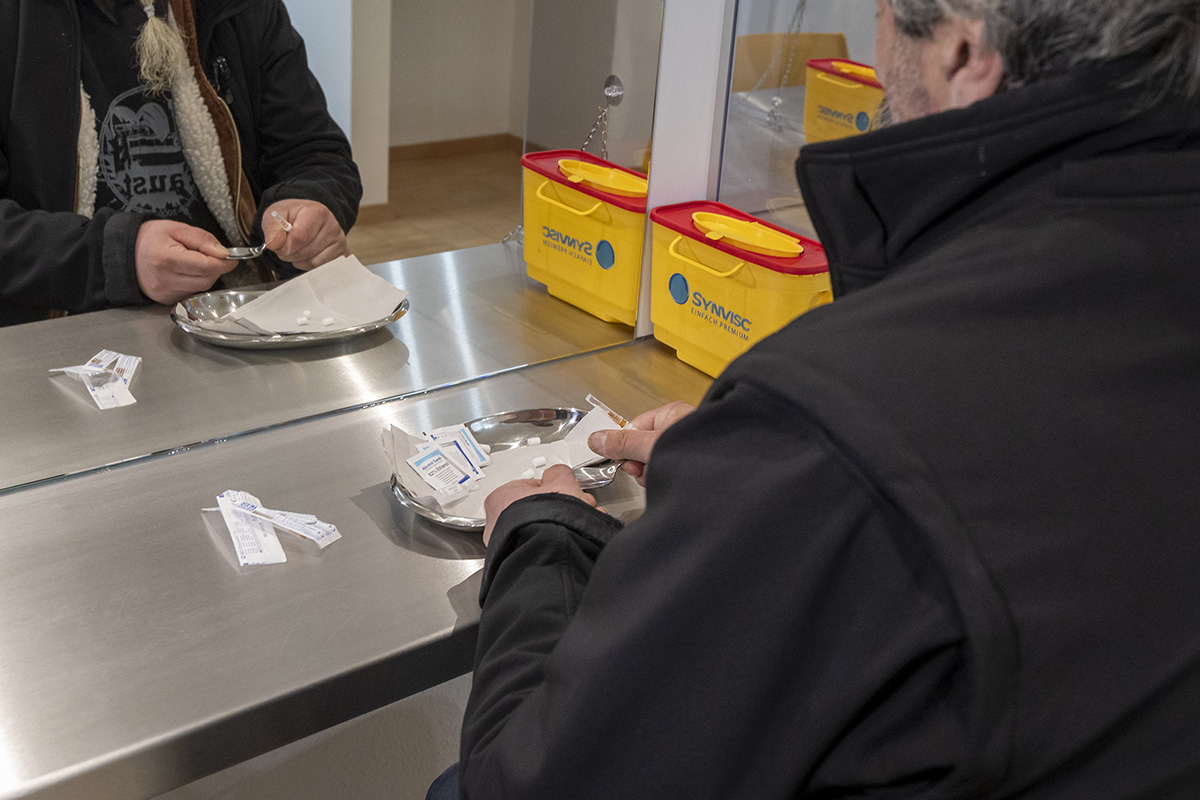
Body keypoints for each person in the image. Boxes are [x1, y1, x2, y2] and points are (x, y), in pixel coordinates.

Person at [432, 0, 1200, 797]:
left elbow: (534, 783)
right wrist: (748, 479)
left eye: (887, 13)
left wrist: (543, 538)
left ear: (966, 50)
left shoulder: (842, 417)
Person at [0, 0, 362, 327]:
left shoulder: (244, 9)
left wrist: (312, 201)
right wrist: (119, 257)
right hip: (58, 336)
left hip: (246, 321)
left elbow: (314, 153)